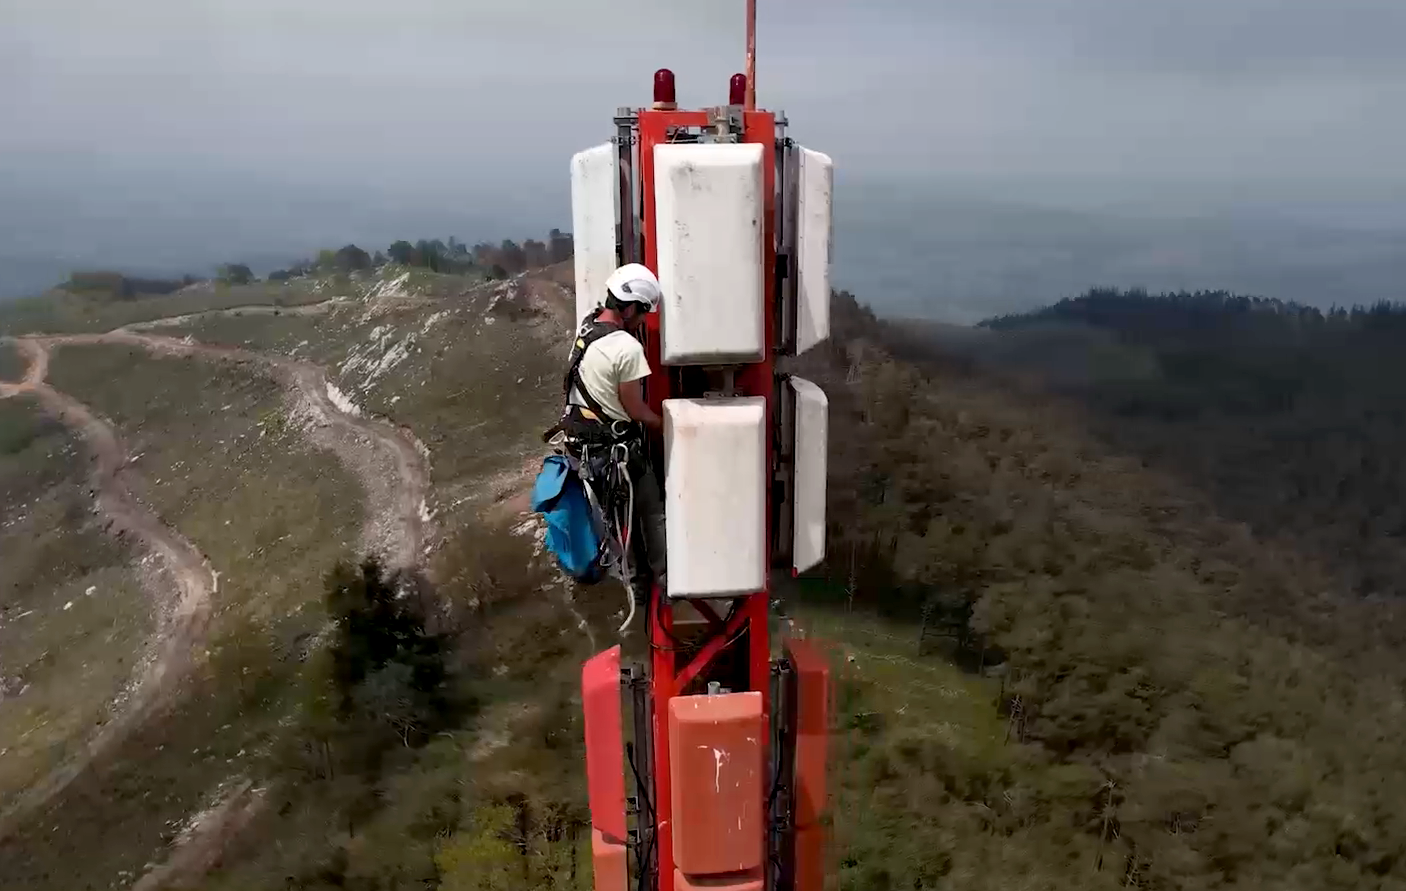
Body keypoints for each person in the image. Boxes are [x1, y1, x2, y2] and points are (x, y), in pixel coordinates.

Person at [547, 263, 667, 605]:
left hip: (586, 454)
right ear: (629, 309)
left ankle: (635, 589)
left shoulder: (587, 329)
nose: (642, 321)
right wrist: (667, 425)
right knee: (651, 513)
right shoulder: (626, 349)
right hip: (616, 455)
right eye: (642, 313)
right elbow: (636, 410)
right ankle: (665, 582)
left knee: (617, 525)